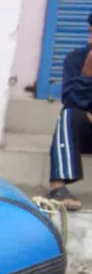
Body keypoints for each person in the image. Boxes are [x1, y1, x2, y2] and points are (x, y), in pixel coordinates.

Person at [47, 12, 92, 211]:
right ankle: (58, 187)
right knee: (68, 116)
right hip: (87, 134)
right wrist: (87, 73)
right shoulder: (76, 59)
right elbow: (72, 102)